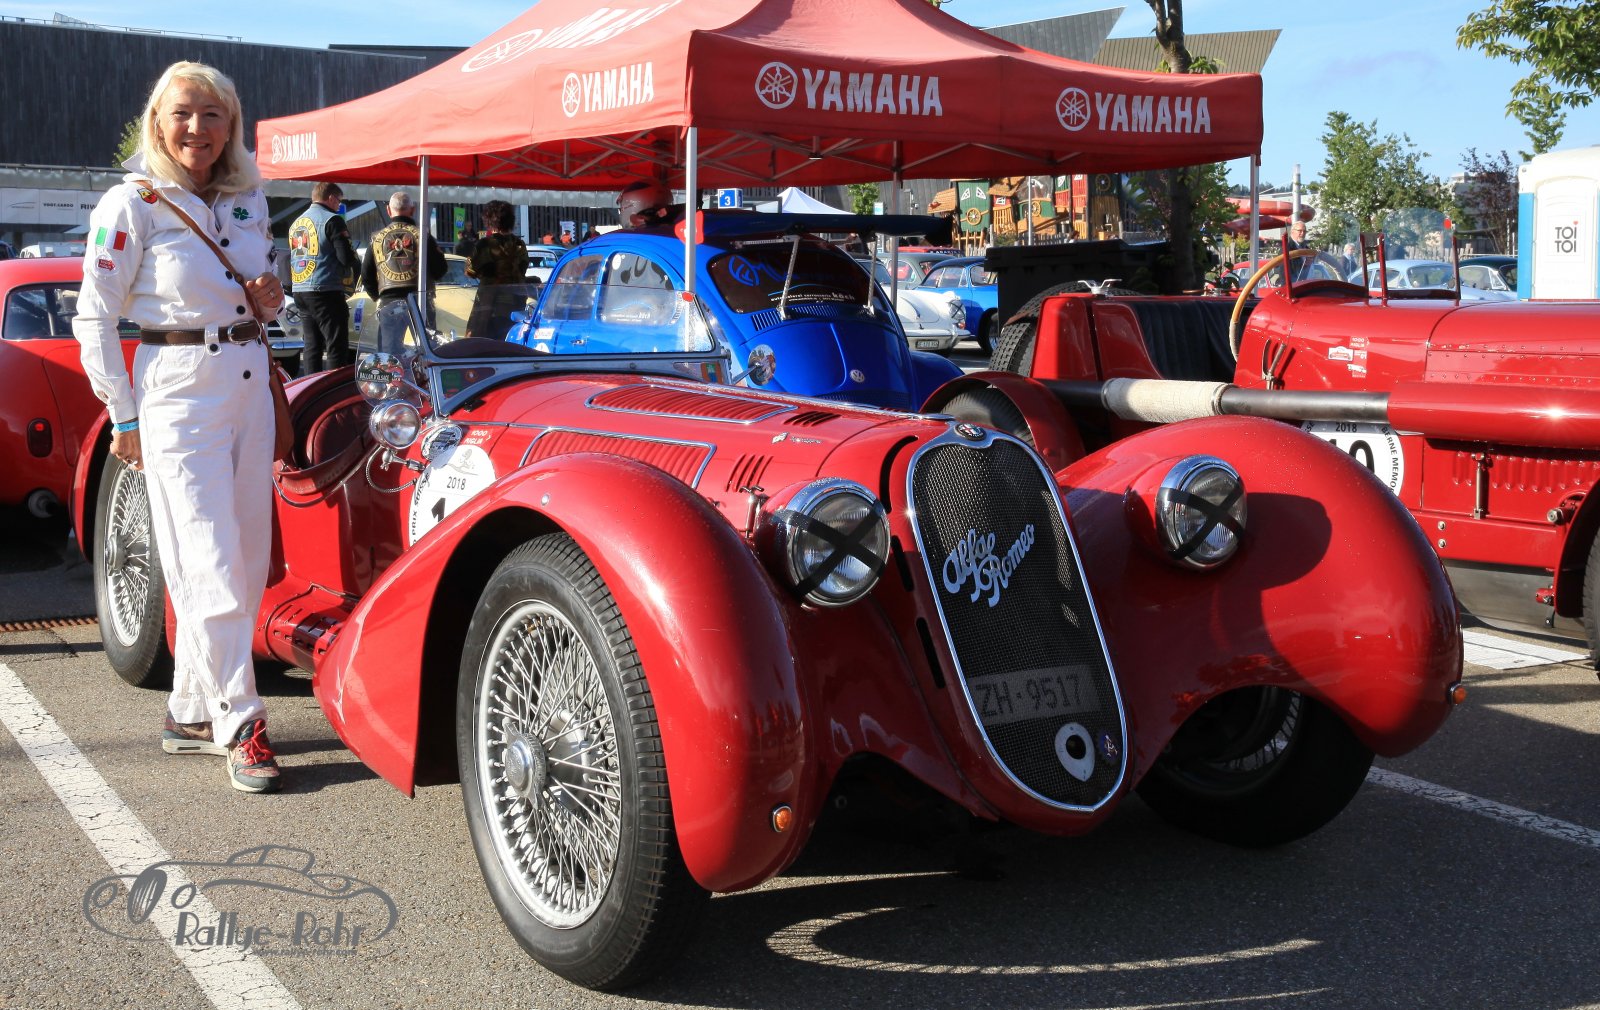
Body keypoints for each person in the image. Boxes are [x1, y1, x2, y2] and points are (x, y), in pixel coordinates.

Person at [72, 61, 285, 793]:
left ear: (232, 124)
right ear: (158, 122)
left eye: (213, 114)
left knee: (244, 562)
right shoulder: (131, 203)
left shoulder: (248, 198)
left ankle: (192, 709)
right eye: (182, 113)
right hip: (178, 391)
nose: (198, 128)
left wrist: (270, 297)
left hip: (249, 384)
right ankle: (240, 721)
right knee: (208, 560)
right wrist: (122, 413)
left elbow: (263, 295)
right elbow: (94, 317)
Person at [360, 190, 447, 353]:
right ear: (412, 210)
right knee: (427, 351)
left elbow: (366, 275)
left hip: (389, 301)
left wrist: (378, 296)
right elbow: (440, 270)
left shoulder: (377, 238)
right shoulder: (424, 236)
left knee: (389, 356)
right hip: (420, 300)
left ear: (388, 210)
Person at [287, 180, 357, 373]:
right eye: (339, 201)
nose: (339, 205)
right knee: (336, 344)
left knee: (312, 345)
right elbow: (346, 257)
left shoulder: (296, 222)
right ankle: (333, 386)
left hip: (301, 289)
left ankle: (311, 385)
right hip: (325, 288)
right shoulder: (332, 220)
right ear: (331, 198)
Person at [464, 200, 529, 340]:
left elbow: (470, 271)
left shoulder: (485, 244)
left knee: (483, 344)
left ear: (489, 220)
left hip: (489, 307)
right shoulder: (519, 244)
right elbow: (523, 268)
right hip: (515, 304)